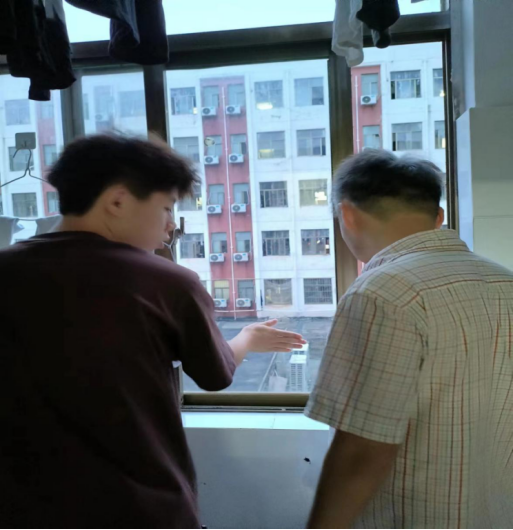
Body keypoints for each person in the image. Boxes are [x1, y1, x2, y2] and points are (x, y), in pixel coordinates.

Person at [0, 133, 305, 528]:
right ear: (117, 201)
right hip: (139, 503)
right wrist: (247, 338)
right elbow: (215, 375)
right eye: (165, 207)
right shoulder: (168, 282)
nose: (170, 226)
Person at [306, 149, 513, 529]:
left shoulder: (381, 294)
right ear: (438, 217)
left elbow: (362, 453)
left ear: (347, 214)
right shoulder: (505, 282)